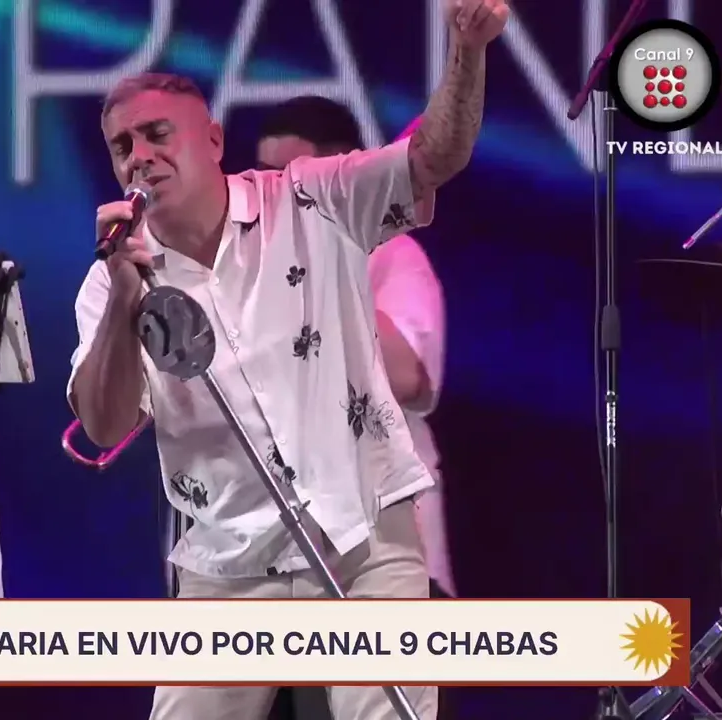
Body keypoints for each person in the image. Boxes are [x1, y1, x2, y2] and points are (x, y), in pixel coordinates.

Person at [66, 1, 507, 717]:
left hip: (363, 531)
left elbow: (435, 156)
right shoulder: (109, 281)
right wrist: (123, 299)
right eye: (122, 146)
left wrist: (468, 49)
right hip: (229, 560)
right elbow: (104, 425)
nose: (138, 155)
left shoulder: (311, 200)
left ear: (213, 140)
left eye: (156, 134)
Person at [257, 99, 453, 720]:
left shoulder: (393, 256)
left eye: (291, 176)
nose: (273, 193)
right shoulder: (247, 265)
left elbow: (410, 376)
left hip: (384, 554)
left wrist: (320, 267)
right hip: (278, 562)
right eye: (265, 176)